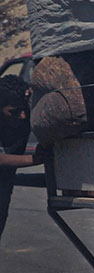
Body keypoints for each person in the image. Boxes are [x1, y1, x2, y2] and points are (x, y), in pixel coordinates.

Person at [0, 74, 38, 246]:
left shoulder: (25, 114)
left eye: (23, 109)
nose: (22, 116)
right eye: (14, 111)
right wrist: (34, 159)